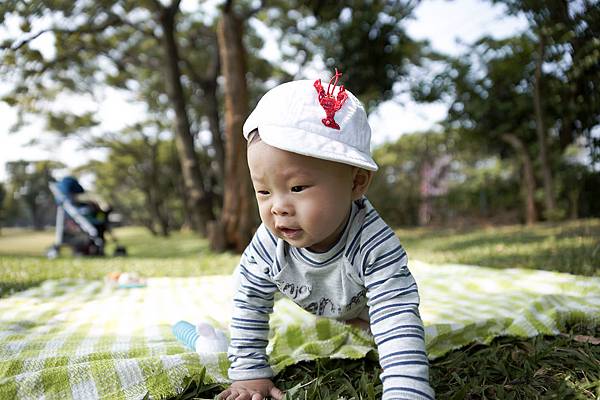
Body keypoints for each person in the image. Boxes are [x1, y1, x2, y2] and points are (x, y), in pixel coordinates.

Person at [217, 71, 434, 400]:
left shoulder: (373, 244)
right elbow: (249, 301)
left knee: (383, 326)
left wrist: (408, 391)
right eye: (263, 191)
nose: (278, 207)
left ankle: (359, 320)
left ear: (356, 183)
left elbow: (397, 314)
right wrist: (250, 372)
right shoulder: (269, 244)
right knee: (248, 288)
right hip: (321, 297)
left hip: (362, 304)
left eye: (297, 188)